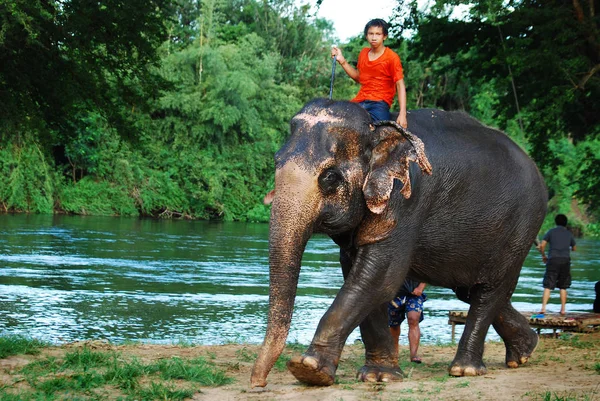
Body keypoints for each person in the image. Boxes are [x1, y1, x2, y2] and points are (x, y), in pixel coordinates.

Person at [331, 18, 408, 127]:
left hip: (379, 104)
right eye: (371, 33)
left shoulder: (392, 57)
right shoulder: (363, 53)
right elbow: (359, 77)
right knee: (337, 124)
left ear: (384, 36)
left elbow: (400, 85)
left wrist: (402, 114)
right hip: (360, 101)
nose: (374, 37)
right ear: (366, 36)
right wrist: (342, 61)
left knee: (379, 132)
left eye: (378, 34)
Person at [537, 214, 576, 315]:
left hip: (553, 259)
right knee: (563, 286)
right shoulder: (569, 234)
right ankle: (563, 309)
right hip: (565, 260)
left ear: (556, 222)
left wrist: (544, 256)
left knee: (548, 285)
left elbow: (542, 246)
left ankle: (543, 308)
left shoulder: (551, 232)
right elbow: (574, 248)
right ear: (565, 223)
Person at [388, 279, 426, 363]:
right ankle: (394, 353)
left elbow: (427, 274)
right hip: (395, 293)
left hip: (414, 294)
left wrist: (420, 288)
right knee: (394, 324)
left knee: (413, 319)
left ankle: (414, 355)